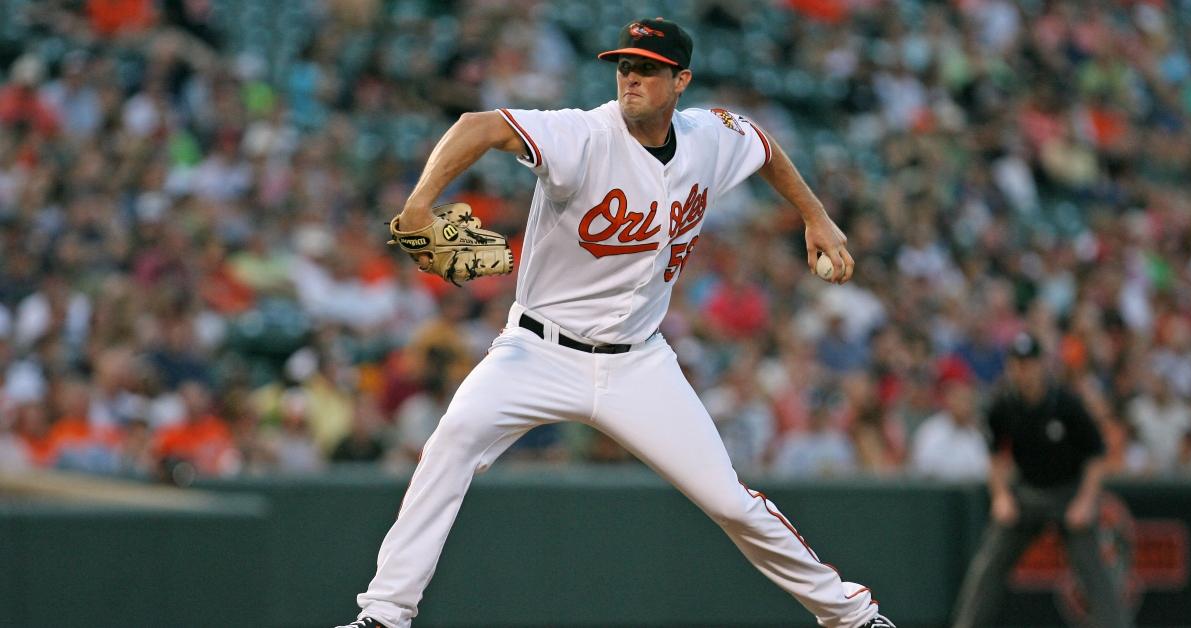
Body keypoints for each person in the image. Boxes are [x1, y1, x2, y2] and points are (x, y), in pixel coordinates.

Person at [340, 18, 893, 628]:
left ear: (680, 80)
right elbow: (478, 126)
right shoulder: (582, 135)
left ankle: (851, 616)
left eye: (648, 68)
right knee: (449, 446)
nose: (630, 77)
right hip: (537, 351)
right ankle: (385, 615)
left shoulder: (708, 135)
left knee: (729, 502)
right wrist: (420, 201)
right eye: (625, 65)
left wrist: (815, 216)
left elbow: (761, 144)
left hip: (637, 362)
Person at [950, 333, 1129, 628]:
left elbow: (1096, 456)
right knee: (988, 565)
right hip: (1028, 492)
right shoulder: (1003, 406)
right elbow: (996, 457)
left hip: (1068, 493)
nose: (1024, 370)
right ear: (1010, 366)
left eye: (1030, 363)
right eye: (1018, 363)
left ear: (1042, 365)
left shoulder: (1066, 404)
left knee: (1095, 572)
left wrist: (1085, 503)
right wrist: (1001, 496)